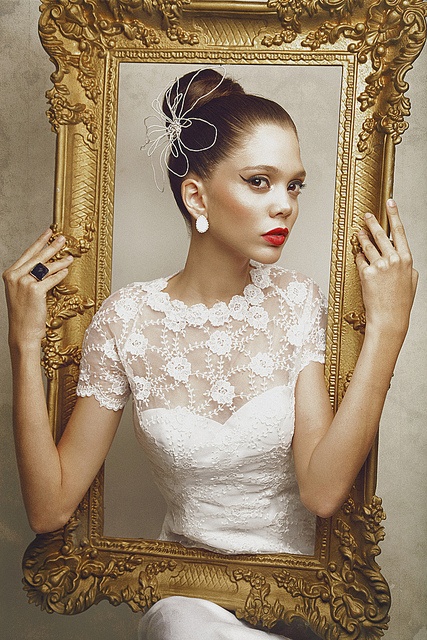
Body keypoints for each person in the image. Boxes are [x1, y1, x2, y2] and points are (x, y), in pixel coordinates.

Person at [3, 68, 418, 639]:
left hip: (295, 600)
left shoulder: (297, 302)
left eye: (295, 185)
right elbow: (49, 510)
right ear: (196, 194)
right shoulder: (126, 321)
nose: (285, 206)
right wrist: (25, 346)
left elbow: (322, 491)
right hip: (188, 600)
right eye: (259, 181)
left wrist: (389, 328)